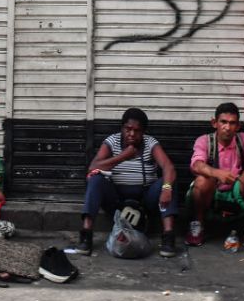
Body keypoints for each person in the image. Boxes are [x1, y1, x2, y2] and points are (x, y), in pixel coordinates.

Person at [76, 107, 180, 258]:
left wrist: (166, 187)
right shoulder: (112, 141)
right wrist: (123, 156)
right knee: (95, 179)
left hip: (145, 200)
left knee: (170, 178)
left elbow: (168, 166)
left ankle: (168, 237)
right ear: (122, 128)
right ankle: (86, 236)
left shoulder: (150, 143)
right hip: (116, 199)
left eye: (137, 130)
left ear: (143, 132)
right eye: (128, 129)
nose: (131, 134)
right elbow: (93, 166)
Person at [186, 102, 244, 254]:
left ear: (238, 126)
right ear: (214, 123)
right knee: (202, 179)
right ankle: (198, 226)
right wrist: (217, 173)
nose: (227, 127)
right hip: (213, 191)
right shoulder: (204, 141)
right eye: (223, 122)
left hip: (236, 191)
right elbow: (196, 165)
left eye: (232, 123)